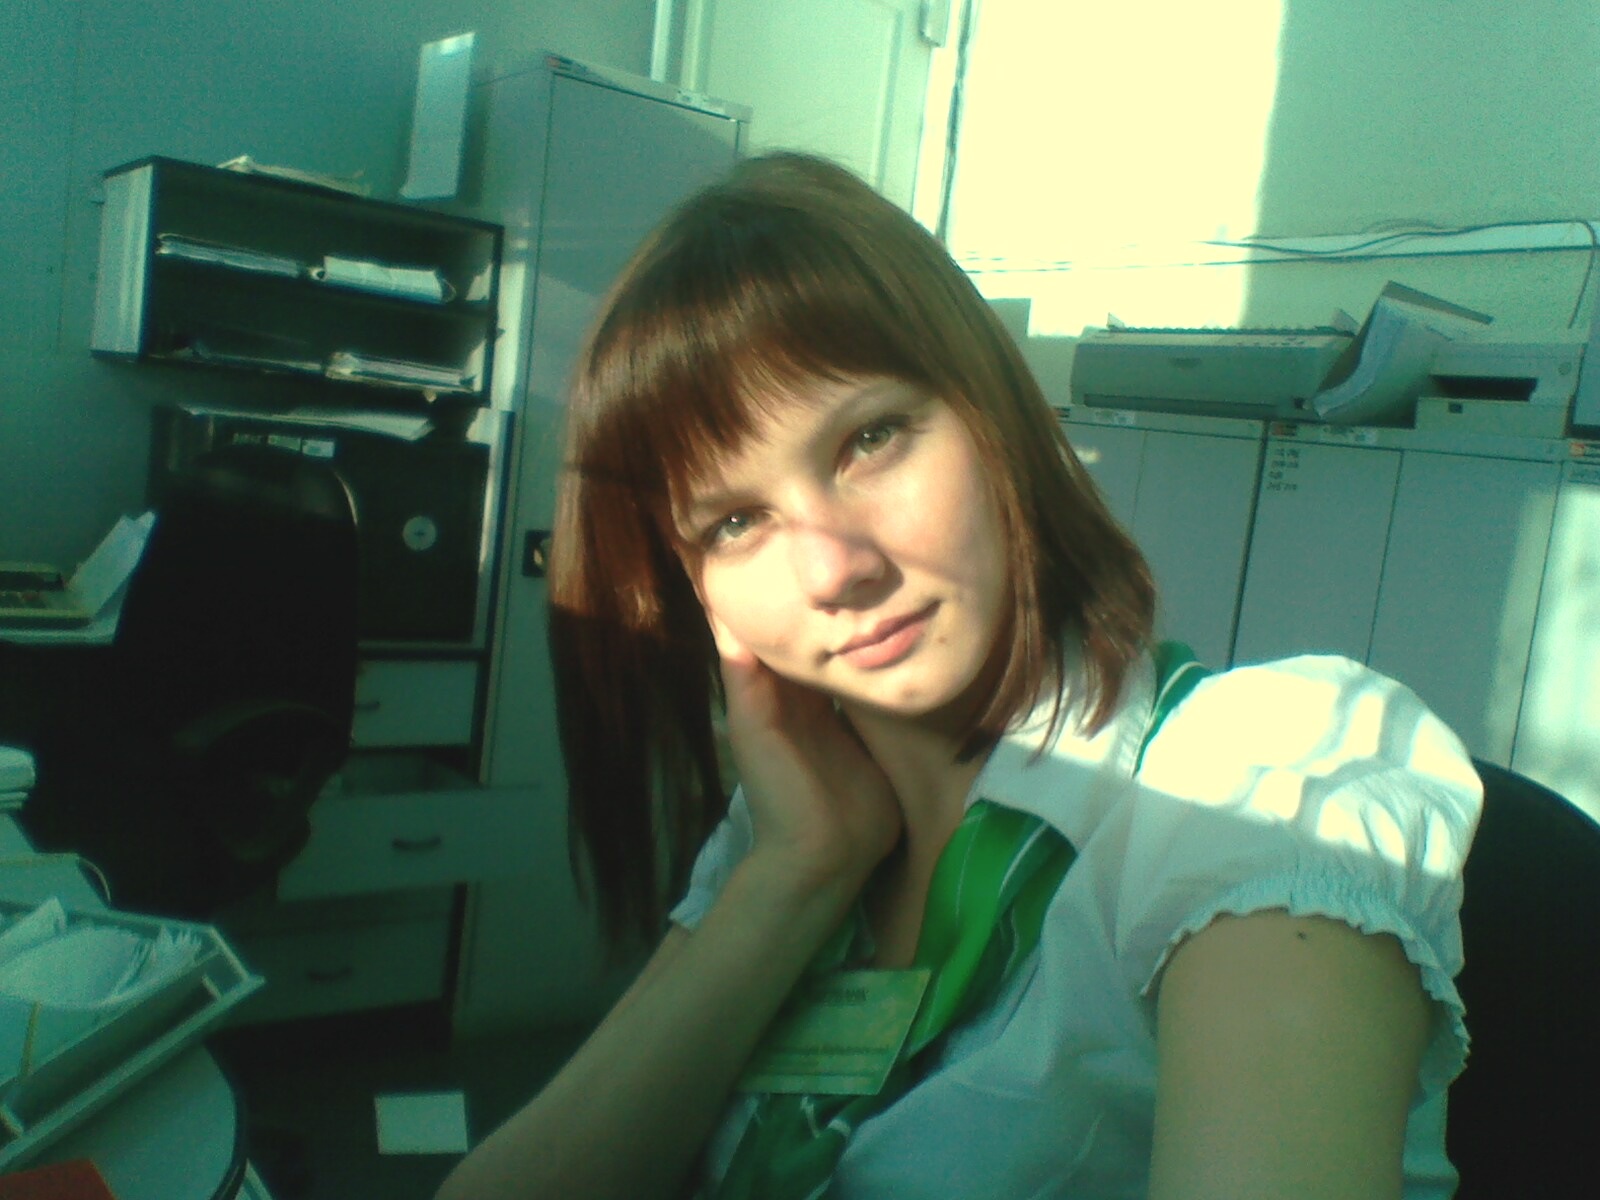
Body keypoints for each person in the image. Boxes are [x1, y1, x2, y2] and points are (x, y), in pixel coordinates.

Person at [435, 153, 1482, 1200]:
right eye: (736, 522)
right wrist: (801, 870)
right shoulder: (786, 819)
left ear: (994, 417)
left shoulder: (1244, 786)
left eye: (870, 440)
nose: (834, 568)